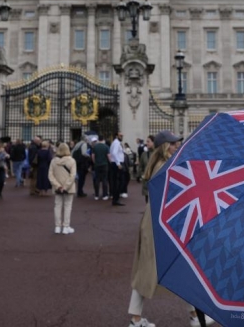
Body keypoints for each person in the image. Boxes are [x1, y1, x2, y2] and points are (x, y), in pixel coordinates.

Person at [129, 130, 214, 327]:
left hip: (158, 221)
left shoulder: (160, 165)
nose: (177, 147)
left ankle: (193, 314)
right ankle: (135, 319)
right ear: (166, 146)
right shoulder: (165, 166)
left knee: (175, 267)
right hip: (160, 224)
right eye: (174, 144)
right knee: (156, 269)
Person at [49, 143, 77, 235]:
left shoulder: (53, 161)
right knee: (68, 206)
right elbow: (72, 176)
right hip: (68, 187)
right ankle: (66, 226)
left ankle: (57, 226)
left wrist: (58, 186)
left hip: (58, 187)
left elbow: (50, 175)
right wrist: (65, 187)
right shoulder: (72, 161)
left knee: (57, 206)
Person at [91, 137, 110, 201]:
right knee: (104, 180)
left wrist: (95, 162)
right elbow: (108, 156)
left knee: (97, 180)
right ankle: (105, 195)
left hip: (97, 165)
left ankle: (96, 195)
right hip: (104, 164)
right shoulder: (106, 147)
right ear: (103, 140)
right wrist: (110, 162)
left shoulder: (95, 147)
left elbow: (93, 156)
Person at [138, 136, 155, 202]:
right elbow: (140, 166)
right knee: (147, 202)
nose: (146, 143)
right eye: (146, 141)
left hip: (156, 181)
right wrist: (141, 175)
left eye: (148, 141)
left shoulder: (159, 154)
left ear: (154, 142)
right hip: (147, 181)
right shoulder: (144, 154)